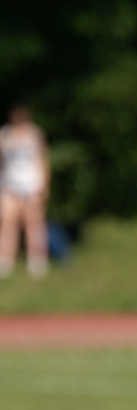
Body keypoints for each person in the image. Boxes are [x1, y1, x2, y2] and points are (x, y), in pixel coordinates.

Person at [0, 104, 51, 279]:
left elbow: (43, 159)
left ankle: (37, 260)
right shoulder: (5, 134)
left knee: (34, 224)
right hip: (9, 186)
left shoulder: (35, 134)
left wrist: (45, 185)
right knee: (7, 224)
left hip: (32, 186)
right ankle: (5, 260)